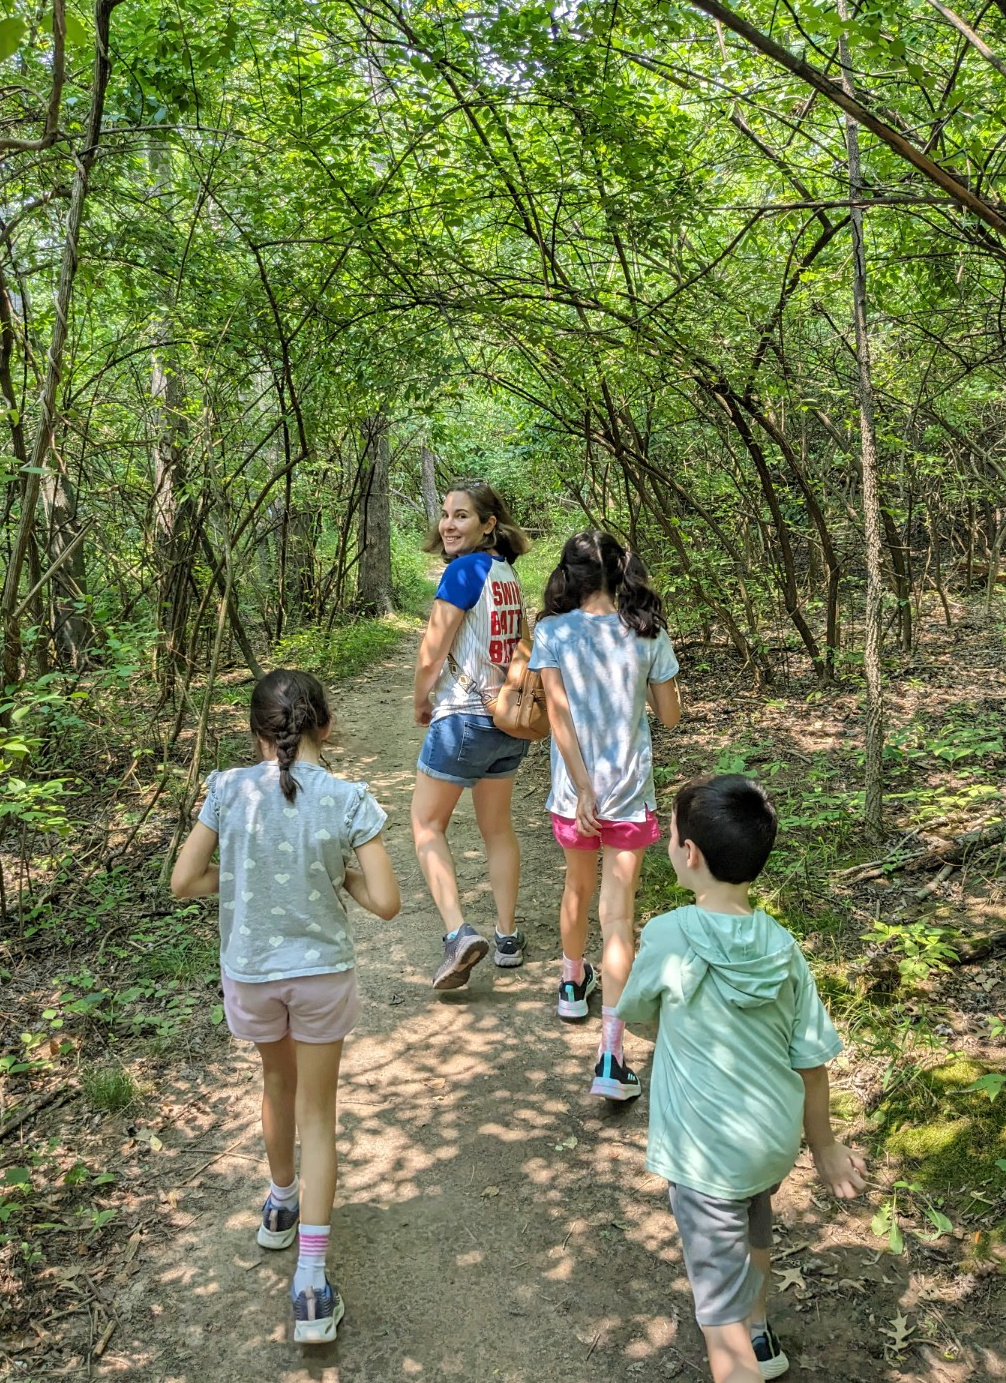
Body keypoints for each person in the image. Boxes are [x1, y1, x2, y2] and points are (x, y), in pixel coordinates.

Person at [170, 669, 400, 1345]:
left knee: (275, 1083)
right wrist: (335, 875)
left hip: (252, 975)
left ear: (255, 733)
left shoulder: (227, 789)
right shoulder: (349, 799)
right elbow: (385, 901)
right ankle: (310, 1281)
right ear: (326, 724)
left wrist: (243, 878)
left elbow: (185, 880)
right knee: (319, 1115)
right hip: (322, 975)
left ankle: (280, 1203)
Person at [616, 775, 867, 1383]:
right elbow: (811, 1058)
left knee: (716, 1326)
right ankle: (758, 1332)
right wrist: (826, 1146)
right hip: (770, 1140)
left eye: (671, 836)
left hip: (706, 1153)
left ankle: (738, 1346)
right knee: (755, 1223)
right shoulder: (783, 946)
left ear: (689, 853)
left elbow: (637, 1008)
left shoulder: (672, 935)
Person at [529, 530, 681, 1099]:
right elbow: (668, 718)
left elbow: (559, 719)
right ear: (620, 572)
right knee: (618, 919)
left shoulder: (551, 632)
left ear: (568, 576)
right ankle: (611, 1057)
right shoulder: (647, 631)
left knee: (576, 887)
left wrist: (582, 786)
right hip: (629, 794)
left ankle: (572, 985)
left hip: (576, 796)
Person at [411, 478, 533, 990]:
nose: (448, 524)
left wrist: (421, 700)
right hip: (508, 721)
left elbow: (431, 653)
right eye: (445, 514)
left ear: (488, 524)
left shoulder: (463, 572)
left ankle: (459, 933)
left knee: (426, 826)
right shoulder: (506, 573)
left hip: (462, 717)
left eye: (461, 515)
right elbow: (523, 646)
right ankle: (507, 937)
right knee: (497, 828)